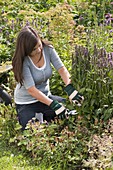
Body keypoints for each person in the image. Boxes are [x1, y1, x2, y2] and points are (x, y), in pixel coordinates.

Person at [12, 26, 84, 130]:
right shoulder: (23, 61)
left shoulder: (48, 49)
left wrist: (70, 89)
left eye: (39, 45)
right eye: (34, 49)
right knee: (31, 129)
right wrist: (54, 105)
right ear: (26, 49)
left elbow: (62, 69)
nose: (39, 50)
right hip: (26, 103)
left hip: (46, 97)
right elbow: (32, 90)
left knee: (70, 111)